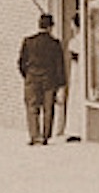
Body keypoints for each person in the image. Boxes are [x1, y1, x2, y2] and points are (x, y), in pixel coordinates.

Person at [17, 13, 67, 145]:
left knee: (32, 107)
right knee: (48, 107)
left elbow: (21, 62)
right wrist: (61, 84)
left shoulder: (28, 42)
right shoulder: (55, 44)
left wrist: (27, 75)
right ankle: (45, 136)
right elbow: (59, 66)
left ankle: (35, 136)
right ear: (51, 27)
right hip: (49, 79)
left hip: (32, 78)